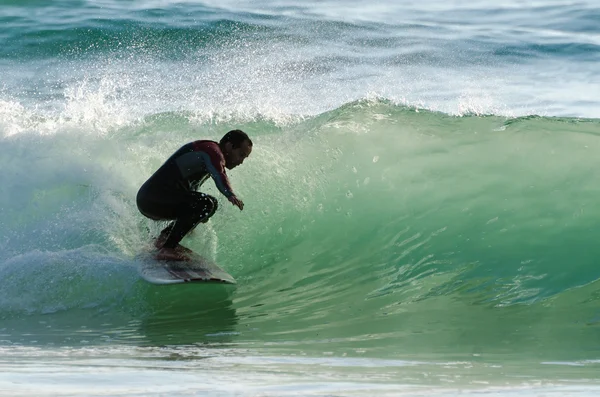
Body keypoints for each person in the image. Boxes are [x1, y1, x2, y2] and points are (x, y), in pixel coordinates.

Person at [137, 129, 252, 261]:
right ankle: (167, 249)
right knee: (205, 203)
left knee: (210, 203)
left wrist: (194, 220)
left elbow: (191, 194)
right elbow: (219, 174)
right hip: (152, 198)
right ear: (229, 146)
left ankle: (164, 239)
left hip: (154, 199)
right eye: (241, 154)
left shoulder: (209, 153)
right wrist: (230, 194)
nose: (241, 161)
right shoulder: (212, 151)